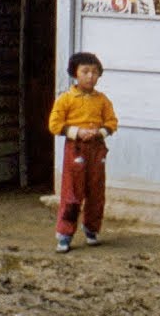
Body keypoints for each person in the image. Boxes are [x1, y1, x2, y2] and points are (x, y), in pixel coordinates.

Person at [48, 52, 118, 253]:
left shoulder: (103, 100)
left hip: (97, 149)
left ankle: (92, 230)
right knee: (72, 193)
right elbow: (54, 124)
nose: (90, 76)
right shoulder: (66, 99)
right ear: (75, 73)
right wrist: (77, 132)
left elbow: (112, 122)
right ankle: (65, 234)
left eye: (95, 72)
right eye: (85, 71)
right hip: (75, 148)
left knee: (96, 193)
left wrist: (100, 132)